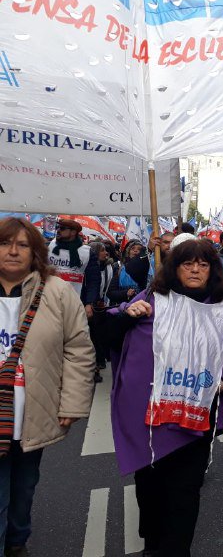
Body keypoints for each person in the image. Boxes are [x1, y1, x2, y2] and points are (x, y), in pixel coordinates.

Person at [108, 239, 223, 557]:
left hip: (193, 421)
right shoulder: (153, 299)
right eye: (188, 263)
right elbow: (104, 332)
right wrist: (126, 317)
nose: (195, 269)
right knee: (149, 489)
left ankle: (176, 550)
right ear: (175, 267)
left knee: (184, 494)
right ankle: (152, 540)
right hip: (150, 420)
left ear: (212, 270)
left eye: (202, 264)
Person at [0, 217, 95, 556]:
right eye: (5, 243)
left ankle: (16, 540)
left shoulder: (56, 292)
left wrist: (72, 403)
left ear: (35, 251)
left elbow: (79, 348)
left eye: (22, 245)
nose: (13, 251)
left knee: (24, 488)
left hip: (33, 410)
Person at [47, 218, 101, 316]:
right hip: (49, 300)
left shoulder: (87, 252)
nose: (58, 230)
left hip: (75, 302)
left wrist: (89, 303)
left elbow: (93, 281)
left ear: (73, 232)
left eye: (62, 228)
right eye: (57, 227)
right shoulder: (48, 247)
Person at [88, 241, 114, 383]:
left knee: (98, 335)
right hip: (91, 306)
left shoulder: (108, 267)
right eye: (103, 250)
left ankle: (100, 360)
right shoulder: (90, 268)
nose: (106, 253)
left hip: (101, 305)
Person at [107, 241, 148, 307]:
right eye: (133, 248)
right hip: (124, 309)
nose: (135, 250)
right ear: (128, 252)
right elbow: (110, 293)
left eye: (139, 249)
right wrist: (126, 293)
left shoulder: (149, 269)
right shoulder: (120, 269)